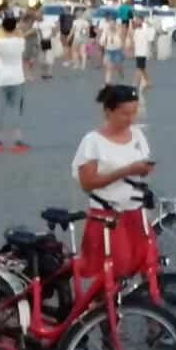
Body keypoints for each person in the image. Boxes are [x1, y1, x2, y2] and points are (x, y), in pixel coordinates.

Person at [72, 85, 154, 280]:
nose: (131, 119)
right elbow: (87, 183)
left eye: (134, 112)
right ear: (108, 111)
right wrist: (126, 171)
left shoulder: (137, 135)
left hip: (136, 212)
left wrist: (144, 169)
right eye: (125, 113)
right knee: (113, 273)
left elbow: (142, 165)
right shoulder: (93, 141)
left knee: (148, 265)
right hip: (107, 217)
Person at [0, 16, 29, 153]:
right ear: (14, 27)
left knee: (0, 110)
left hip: (1, 79)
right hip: (17, 78)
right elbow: (20, 36)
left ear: (3, 28)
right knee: (17, 110)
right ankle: (17, 141)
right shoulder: (20, 41)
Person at [131, 15, 155, 90]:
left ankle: (134, 84)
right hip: (138, 52)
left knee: (139, 68)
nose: (136, 21)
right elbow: (134, 41)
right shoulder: (136, 30)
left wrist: (147, 23)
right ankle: (148, 82)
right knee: (142, 68)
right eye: (136, 20)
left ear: (141, 21)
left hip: (143, 52)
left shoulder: (146, 30)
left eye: (138, 20)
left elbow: (151, 35)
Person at [100, 15, 127, 85]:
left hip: (117, 50)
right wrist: (102, 42)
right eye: (110, 23)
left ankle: (121, 72)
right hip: (108, 50)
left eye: (112, 23)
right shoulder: (105, 31)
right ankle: (107, 82)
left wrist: (124, 46)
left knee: (118, 66)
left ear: (115, 23)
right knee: (109, 67)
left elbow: (122, 39)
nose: (111, 24)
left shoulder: (119, 30)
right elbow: (102, 40)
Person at [36, 14, 57, 79]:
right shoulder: (36, 23)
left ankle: (49, 73)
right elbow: (37, 32)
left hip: (48, 41)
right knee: (42, 58)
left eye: (39, 16)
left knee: (48, 57)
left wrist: (48, 37)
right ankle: (44, 73)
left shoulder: (49, 22)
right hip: (41, 41)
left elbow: (54, 31)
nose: (38, 18)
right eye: (37, 17)